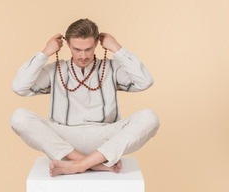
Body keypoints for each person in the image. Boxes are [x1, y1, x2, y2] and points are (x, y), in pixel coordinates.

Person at [10, 18, 160, 177]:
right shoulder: (56, 70)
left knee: (150, 117)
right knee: (19, 117)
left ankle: (80, 165)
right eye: (76, 49)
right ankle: (93, 164)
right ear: (67, 45)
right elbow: (19, 87)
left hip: (105, 138)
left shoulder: (111, 68)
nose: (83, 55)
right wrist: (45, 53)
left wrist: (117, 49)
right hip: (64, 139)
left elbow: (145, 81)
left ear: (96, 44)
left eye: (88, 49)